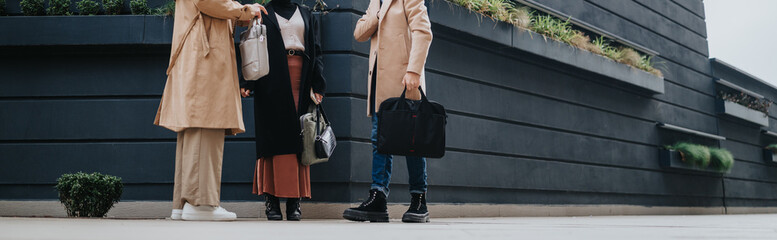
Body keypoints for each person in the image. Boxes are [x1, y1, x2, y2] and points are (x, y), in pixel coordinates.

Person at [154, 0, 266, 221]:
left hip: (200, 53)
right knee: (206, 122)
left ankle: (183, 203)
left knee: (194, 127)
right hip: (205, 57)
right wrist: (244, 10)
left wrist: (242, 13)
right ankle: (201, 203)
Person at [342, 0, 433, 223]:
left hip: (405, 81)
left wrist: (414, 71)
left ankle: (418, 200)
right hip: (379, 85)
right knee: (379, 139)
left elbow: (423, 32)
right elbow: (359, 34)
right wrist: (377, 13)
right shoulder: (376, 2)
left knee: (412, 143)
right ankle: (378, 197)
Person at [239, 0, 326, 221]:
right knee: (272, 136)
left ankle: (295, 202)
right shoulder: (263, 11)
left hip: (301, 77)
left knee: (300, 134)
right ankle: (272, 200)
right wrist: (248, 82)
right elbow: (252, 46)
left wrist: (318, 83)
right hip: (270, 77)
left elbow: (316, 49)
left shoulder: (306, 13)